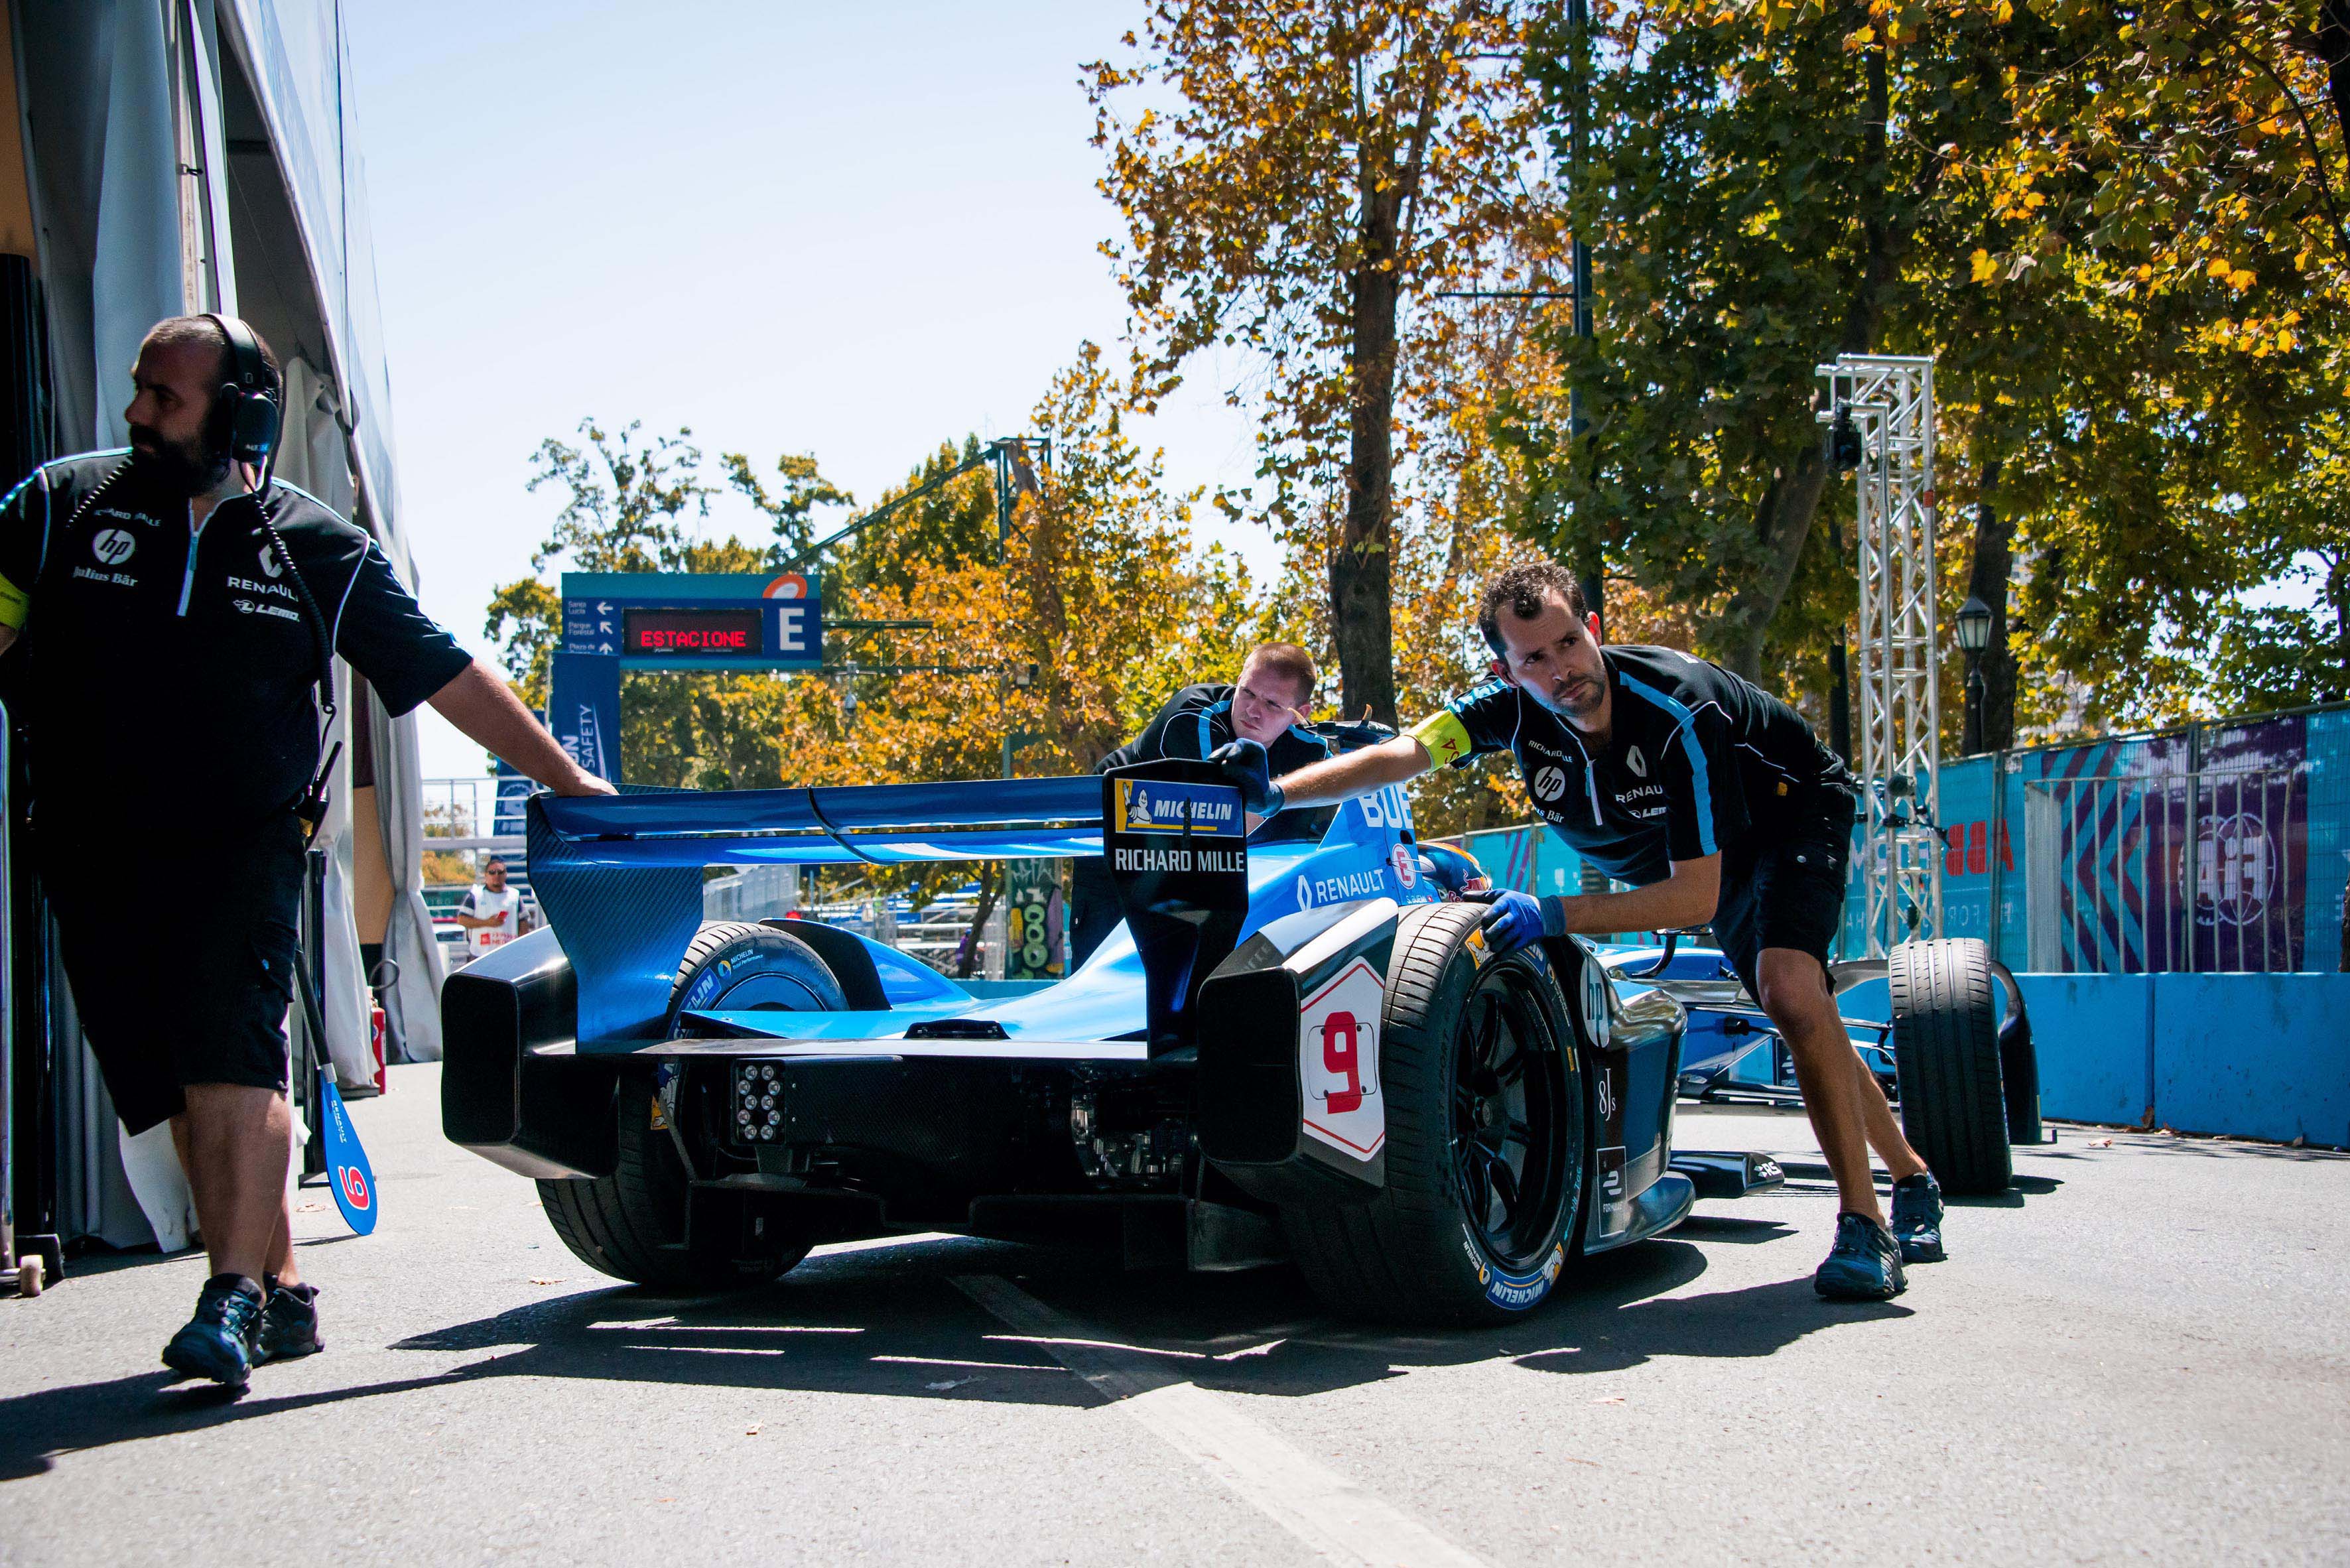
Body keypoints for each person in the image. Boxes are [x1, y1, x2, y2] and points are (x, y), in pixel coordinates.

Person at [0, 314, 616, 1387]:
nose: (140, 413)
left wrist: (566, 778)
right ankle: (282, 1282)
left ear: (239, 415)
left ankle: (228, 1294)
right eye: (142, 390)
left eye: (167, 398)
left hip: (238, 845)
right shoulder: (59, 507)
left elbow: (445, 672)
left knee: (230, 1056)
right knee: (165, 1082)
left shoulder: (314, 547)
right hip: (91, 848)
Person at [1215, 559, 1943, 1301]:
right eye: (1534, 658)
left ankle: (1865, 1225)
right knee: (1801, 1006)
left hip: (1788, 811)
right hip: (1696, 844)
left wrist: (1553, 914)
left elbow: (1693, 898)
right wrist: (1275, 792)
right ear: (1508, 668)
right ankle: (1914, 1179)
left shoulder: (1680, 712)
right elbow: (1398, 756)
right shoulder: (1509, 709)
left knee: (1789, 989)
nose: (1561, 669)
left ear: (1592, 629)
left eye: (1568, 643)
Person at [1069, 642, 1327, 963]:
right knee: (1101, 952)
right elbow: (1226, 825)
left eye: (1272, 704)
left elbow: (1328, 814)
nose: (1252, 710)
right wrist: (1288, 798)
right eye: (1247, 693)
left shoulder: (1312, 749)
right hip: (1116, 816)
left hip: (1181, 838)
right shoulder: (1195, 716)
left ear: (1299, 715)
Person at [453, 856, 525, 960]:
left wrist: (521, 949)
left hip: (508, 955)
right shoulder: (475, 895)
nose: (496, 875)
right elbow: (462, 920)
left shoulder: (515, 896)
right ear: (486, 875)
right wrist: (488, 922)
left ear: (506, 875)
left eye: (500, 872)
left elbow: (523, 923)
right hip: (480, 955)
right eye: (492, 872)